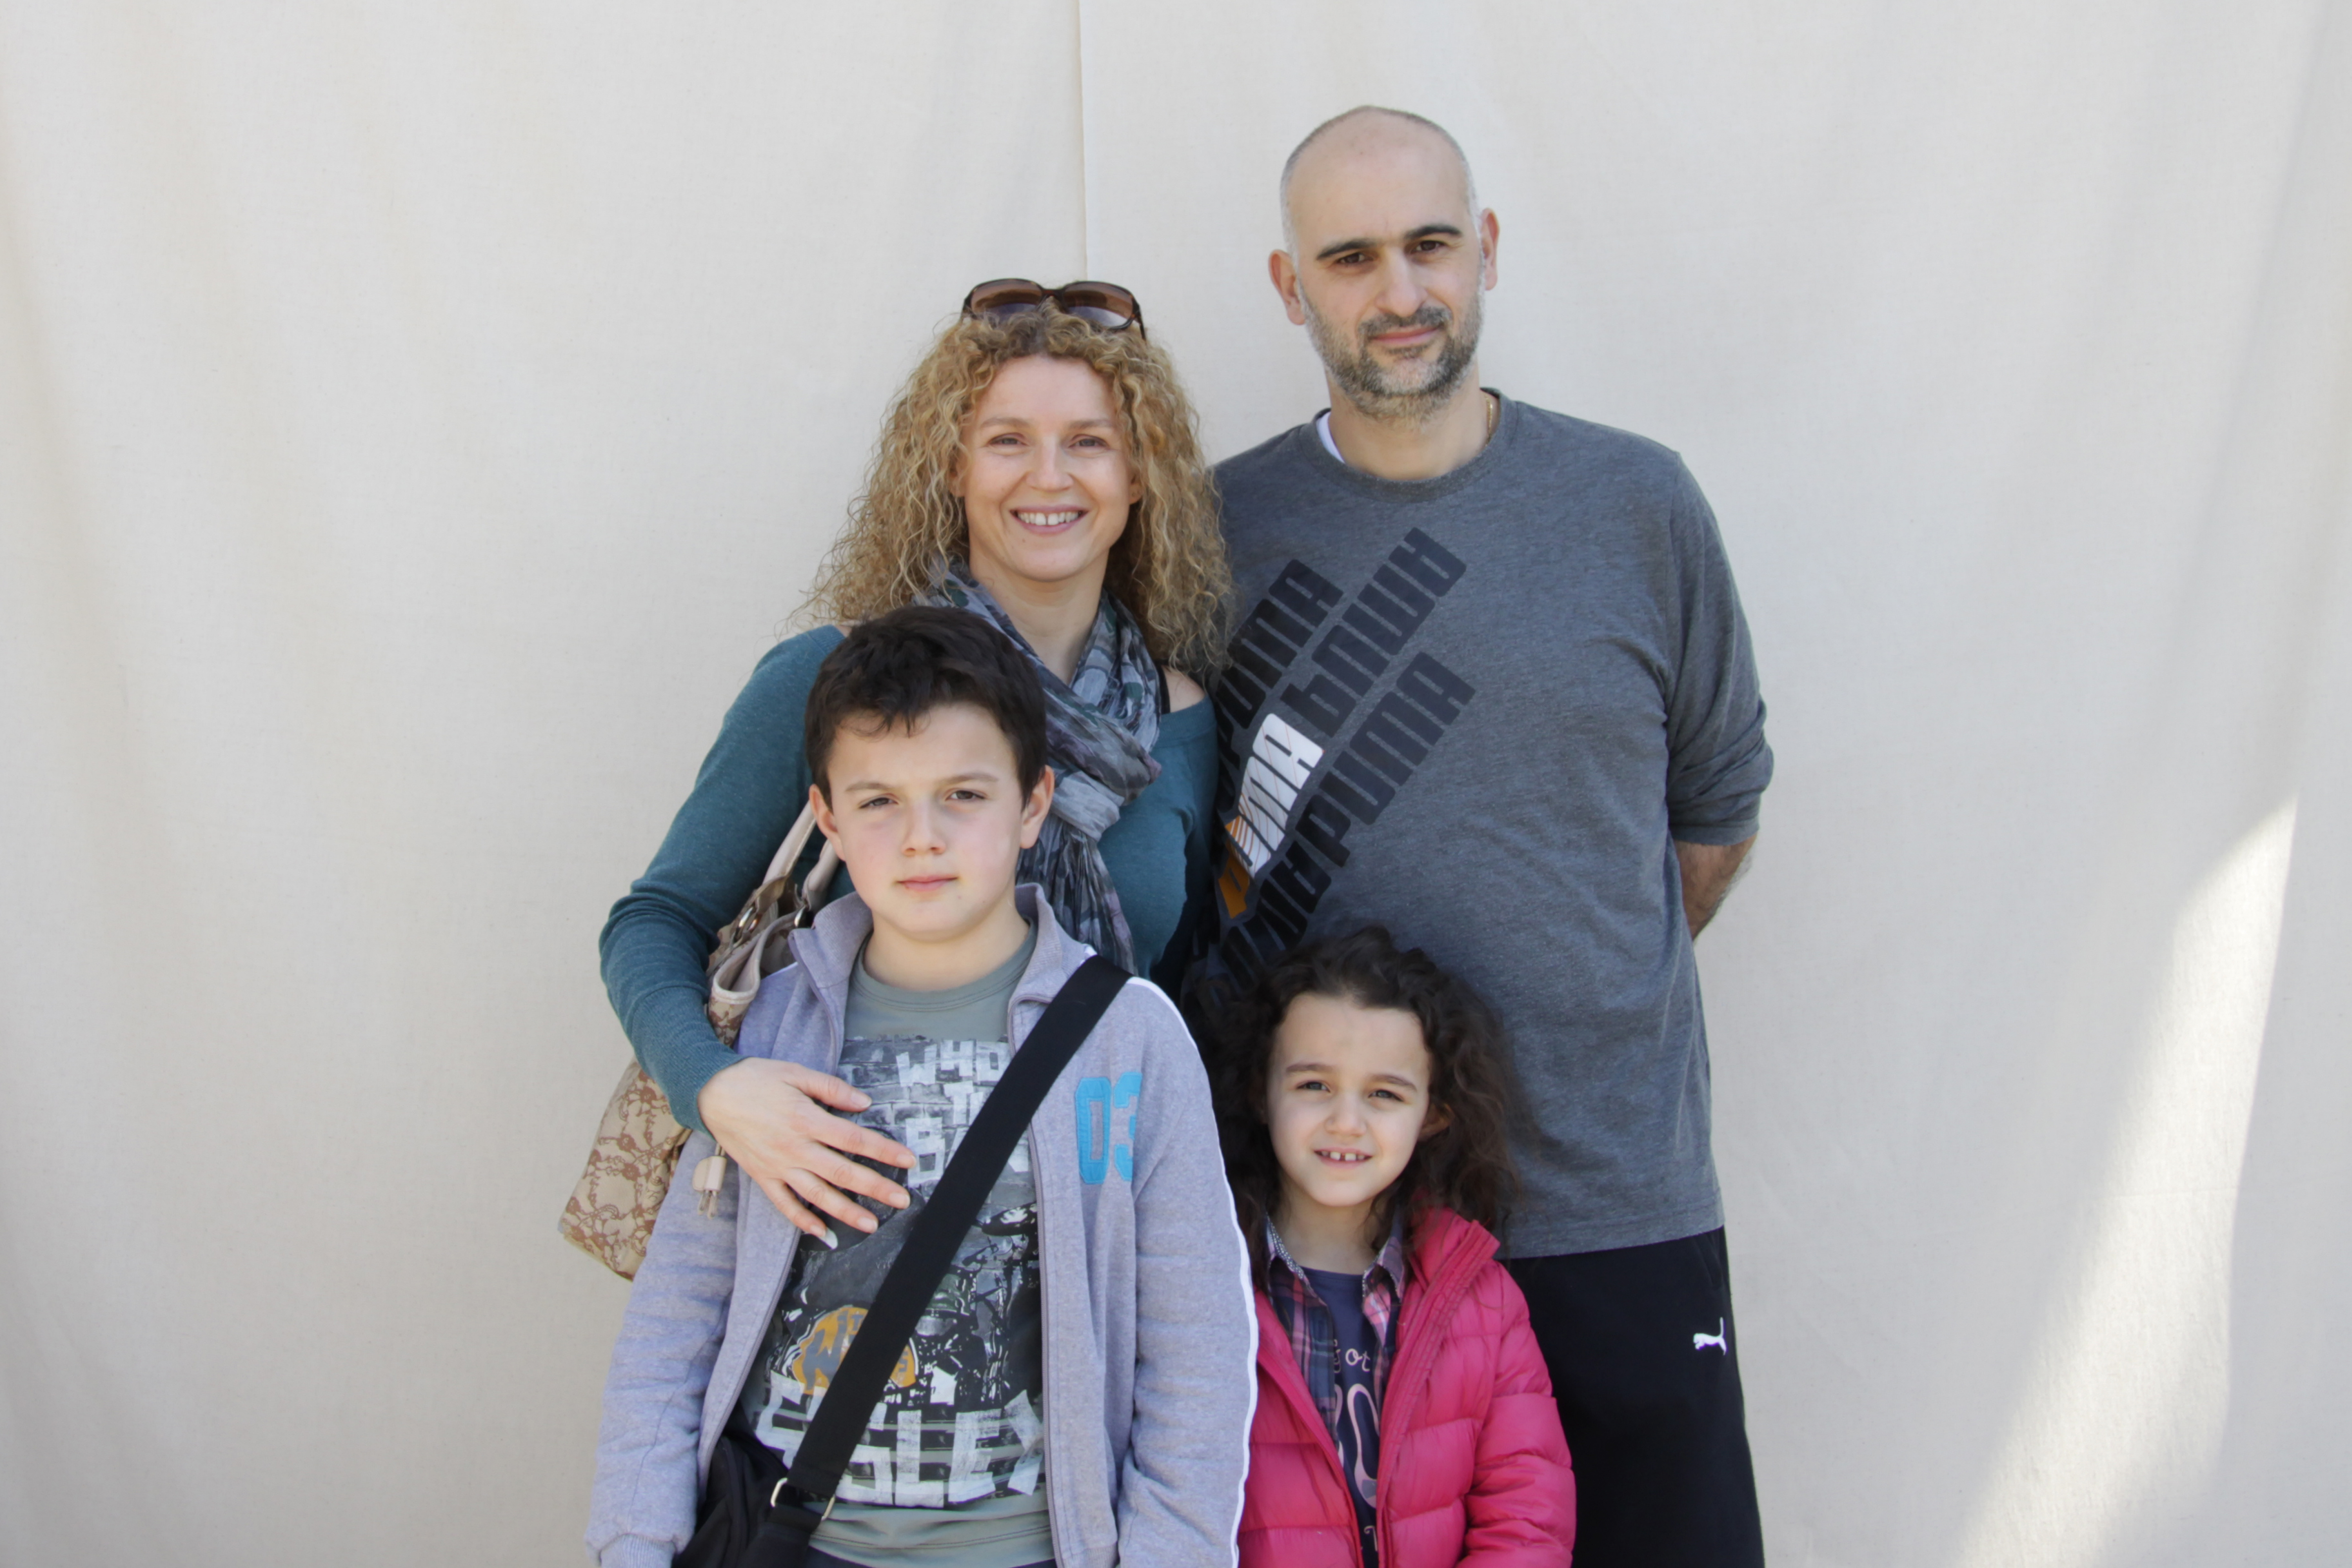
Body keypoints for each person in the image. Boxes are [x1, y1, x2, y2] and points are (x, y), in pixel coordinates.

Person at [1198, 107, 1774, 1566]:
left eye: (1431, 245)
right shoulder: (1213, 538)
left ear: (1489, 250)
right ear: (1289, 284)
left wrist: (1583, 970)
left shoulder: (1636, 506)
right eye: (1351, 258)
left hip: (1609, 1198)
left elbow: (1711, 814)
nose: (1401, 292)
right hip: (1332, 1231)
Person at [589, 608, 1256, 1568]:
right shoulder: (777, 1026)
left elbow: (1195, 1351)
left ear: (1033, 805)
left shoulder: (1129, 1042)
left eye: (963, 796)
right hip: (793, 1539)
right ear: (826, 818)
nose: (921, 839)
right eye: (879, 803)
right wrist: (632, 1543)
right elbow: (677, 1321)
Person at [600, 284, 1229, 1243]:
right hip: (845, 1212)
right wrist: (718, 1090)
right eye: (1008, 440)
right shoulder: (836, 684)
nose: (1049, 476)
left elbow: (1166, 1002)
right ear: (952, 464)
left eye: (1088, 442)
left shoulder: (1179, 724)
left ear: (1140, 474)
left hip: (1089, 1226)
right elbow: (656, 923)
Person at [1214, 926, 1573, 1568]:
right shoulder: (1205, 1287)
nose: (1346, 1122)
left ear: (1433, 1113)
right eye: (1314, 1085)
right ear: (1260, 1092)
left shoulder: (1484, 1302)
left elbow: (1527, 1518)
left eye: (1384, 1094)